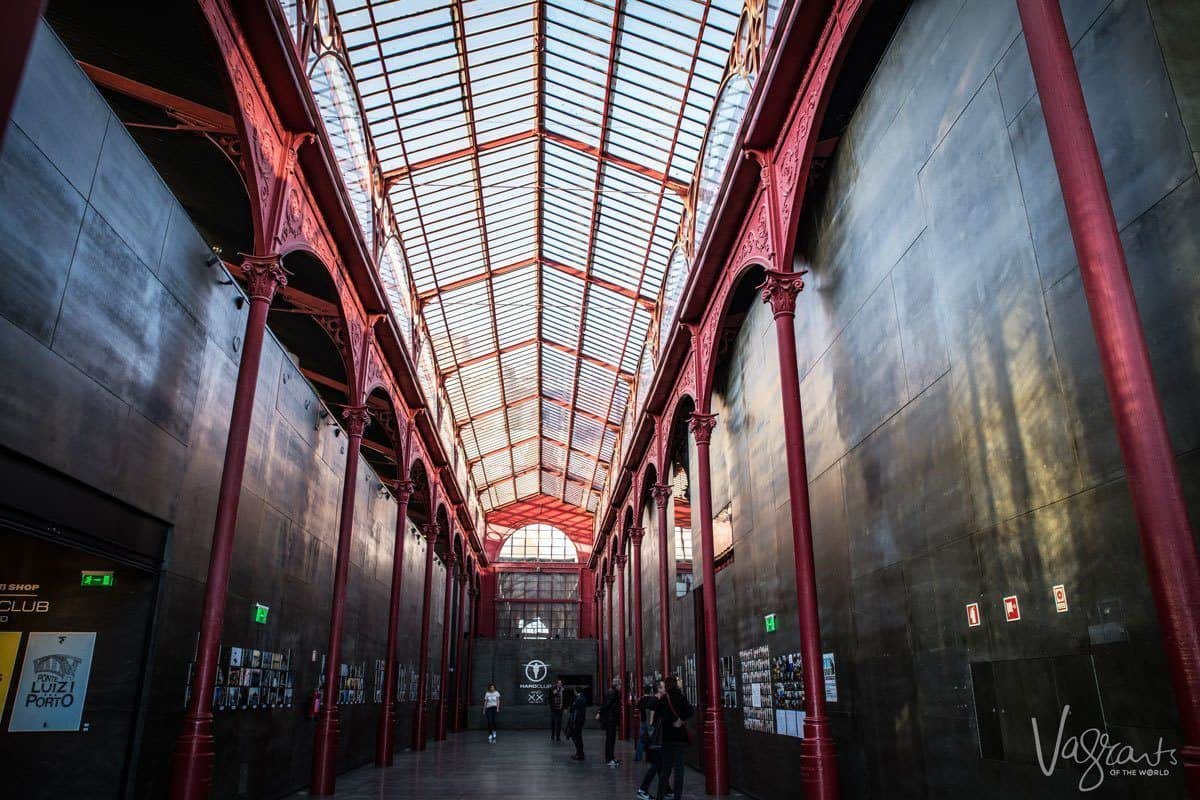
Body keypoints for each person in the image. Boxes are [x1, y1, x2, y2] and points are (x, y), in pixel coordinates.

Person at [654, 676, 693, 800]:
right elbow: (690, 711)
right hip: (680, 738)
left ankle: (660, 795)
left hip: (667, 738)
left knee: (666, 769)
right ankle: (677, 796)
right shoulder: (681, 696)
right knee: (679, 770)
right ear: (675, 684)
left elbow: (658, 715)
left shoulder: (664, 699)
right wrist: (680, 720)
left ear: (666, 685)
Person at [636, 680, 667, 799]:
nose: (666, 689)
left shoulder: (652, 700)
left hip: (653, 739)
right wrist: (653, 737)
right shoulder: (655, 701)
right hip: (654, 739)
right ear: (659, 689)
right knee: (656, 765)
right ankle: (642, 789)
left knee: (659, 764)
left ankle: (667, 790)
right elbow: (650, 722)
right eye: (664, 687)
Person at [596, 676, 622, 766]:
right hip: (611, 719)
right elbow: (607, 705)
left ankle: (611, 757)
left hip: (610, 719)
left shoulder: (611, 692)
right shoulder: (613, 693)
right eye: (620, 685)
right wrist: (599, 712)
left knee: (610, 740)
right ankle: (609, 759)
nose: (621, 686)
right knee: (610, 740)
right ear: (617, 685)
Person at [634, 683, 658, 762]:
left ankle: (638, 757)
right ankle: (651, 757)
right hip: (650, 721)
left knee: (641, 739)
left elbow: (637, 707)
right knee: (652, 739)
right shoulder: (652, 699)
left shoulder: (641, 699)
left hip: (643, 721)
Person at [567, 686, 588, 760]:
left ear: (576, 691)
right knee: (578, 737)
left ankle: (579, 754)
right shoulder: (583, 698)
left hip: (577, 720)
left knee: (576, 737)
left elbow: (572, 709)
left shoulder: (578, 699)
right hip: (581, 720)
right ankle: (579, 753)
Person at [548, 678, 566, 742]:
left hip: (560, 709)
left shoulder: (563, 690)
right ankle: (553, 735)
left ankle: (558, 736)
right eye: (558, 683)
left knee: (559, 723)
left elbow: (565, 699)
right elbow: (549, 698)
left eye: (561, 683)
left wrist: (565, 708)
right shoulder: (552, 689)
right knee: (553, 722)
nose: (559, 684)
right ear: (557, 683)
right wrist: (551, 706)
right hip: (554, 709)